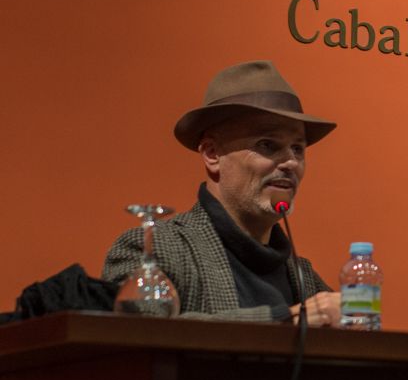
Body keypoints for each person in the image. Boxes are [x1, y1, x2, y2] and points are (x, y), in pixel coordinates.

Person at [103, 60, 343, 326]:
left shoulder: (304, 276)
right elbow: (139, 334)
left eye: (298, 149)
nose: (290, 163)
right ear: (212, 154)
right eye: (267, 145)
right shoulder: (152, 248)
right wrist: (285, 319)